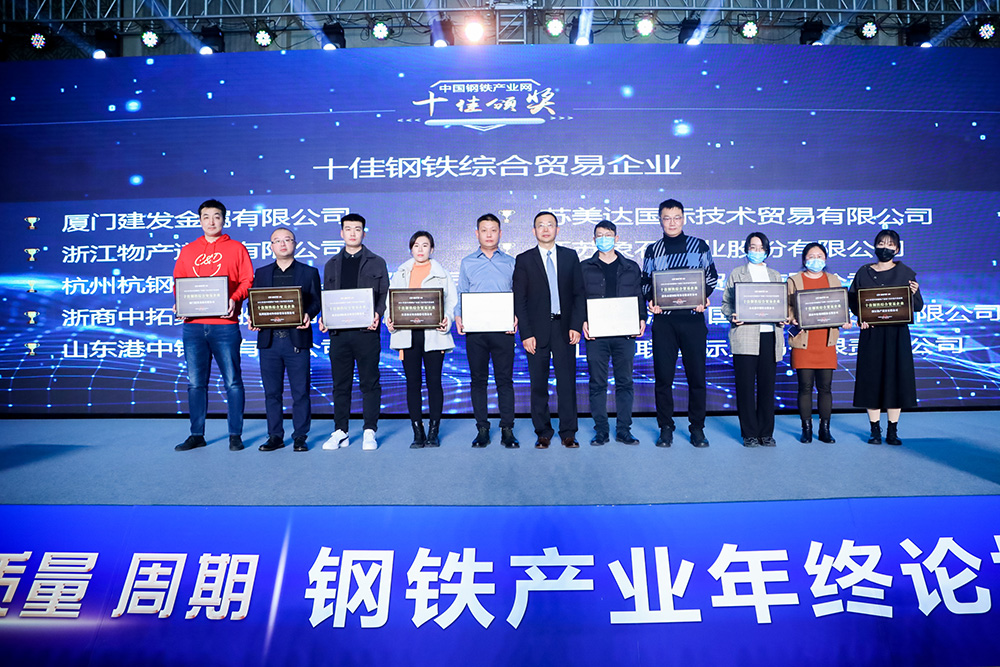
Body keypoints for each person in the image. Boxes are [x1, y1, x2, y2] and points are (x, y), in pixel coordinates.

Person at [173, 199, 254, 452]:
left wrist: (234, 298)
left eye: (216, 216)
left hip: (225, 325)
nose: (211, 221)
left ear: (224, 220)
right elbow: (179, 281)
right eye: (206, 217)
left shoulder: (237, 248)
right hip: (193, 326)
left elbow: (247, 280)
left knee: (232, 381)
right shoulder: (188, 250)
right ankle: (196, 434)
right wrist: (179, 303)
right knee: (195, 383)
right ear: (200, 221)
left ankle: (235, 435)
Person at [641, 198, 719, 448]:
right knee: (663, 378)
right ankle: (666, 427)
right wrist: (652, 301)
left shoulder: (699, 246)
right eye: (667, 218)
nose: (672, 223)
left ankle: (697, 428)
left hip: (693, 320)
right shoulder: (653, 250)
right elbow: (645, 282)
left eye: (676, 218)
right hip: (664, 322)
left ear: (683, 219)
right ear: (660, 221)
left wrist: (703, 297)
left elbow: (711, 277)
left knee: (697, 377)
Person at [512, 211, 586, 449]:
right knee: (538, 384)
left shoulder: (570, 256)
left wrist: (576, 325)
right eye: (541, 225)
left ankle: (568, 432)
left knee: (567, 383)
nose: (545, 229)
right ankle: (543, 432)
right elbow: (520, 300)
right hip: (536, 331)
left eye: (550, 225)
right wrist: (526, 334)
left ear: (557, 229)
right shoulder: (524, 259)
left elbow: (579, 294)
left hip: (564, 329)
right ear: (534, 231)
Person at [318, 213, 389, 451]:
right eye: (348, 229)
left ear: (363, 233)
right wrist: (325, 317)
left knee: (370, 383)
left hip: (366, 333)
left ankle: (370, 430)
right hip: (339, 335)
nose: (352, 233)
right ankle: (341, 431)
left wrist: (378, 313)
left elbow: (384, 294)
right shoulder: (331, 264)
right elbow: (328, 297)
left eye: (357, 229)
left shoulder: (377, 262)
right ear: (341, 233)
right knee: (340, 384)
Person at [848, 229, 923, 446]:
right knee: (871, 379)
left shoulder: (906, 272)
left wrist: (914, 293)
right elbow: (854, 301)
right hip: (871, 333)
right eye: (881, 243)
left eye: (890, 245)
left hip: (897, 334)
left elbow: (917, 306)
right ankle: (874, 430)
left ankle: (892, 430)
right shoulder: (864, 272)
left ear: (897, 249)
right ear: (875, 246)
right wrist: (861, 317)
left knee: (895, 379)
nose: (885, 248)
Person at [251, 227, 322, 452]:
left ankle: (300, 436)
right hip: (269, 342)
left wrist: (308, 314)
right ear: (271, 246)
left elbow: (316, 301)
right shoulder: (262, 273)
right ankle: (275, 436)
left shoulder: (308, 272)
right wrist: (253, 317)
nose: (283, 244)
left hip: (296, 341)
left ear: (295, 243)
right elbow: (254, 302)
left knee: (300, 392)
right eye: (277, 241)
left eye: (287, 240)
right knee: (272, 393)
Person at [386, 231, 457, 449]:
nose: (420, 249)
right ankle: (417, 432)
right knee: (413, 383)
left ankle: (434, 431)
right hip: (407, 335)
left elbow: (451, 303)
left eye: (425, 245)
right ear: (411, 249)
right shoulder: (400, 273)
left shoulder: (442, 274)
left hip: (434, 335)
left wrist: (447, 319)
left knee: (434, 382)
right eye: (416, 245)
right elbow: (391, 303)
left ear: (432, 249)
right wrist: (390, 320)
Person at [455, 213, 519, 449]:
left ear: (500, 233)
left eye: (493, 230)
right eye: (484, 230)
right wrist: (458, 316)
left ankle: (507, 429)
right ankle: (482, 429)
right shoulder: (467, 262)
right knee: (478, 381)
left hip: (503, 330)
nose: (489, 234)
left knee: (505, 381)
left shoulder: (511, 262)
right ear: (477, 234)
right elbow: (462, 292)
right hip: (476, 331)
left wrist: (517, 316)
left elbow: (519, 294)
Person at [580, 220, 647, 446]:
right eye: (600, 235)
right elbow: (577, 298)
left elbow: (639, 296)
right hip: (596, 335)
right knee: (597, 383)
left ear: (616, 238)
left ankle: (624, 430)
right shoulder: (584, 267)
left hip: (624, 334)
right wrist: (582, 321)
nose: (604, 239)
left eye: (608, 235)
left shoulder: (631, 267)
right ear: (594, 239)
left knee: (625, 382)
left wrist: (642, 318)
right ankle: (601, 431)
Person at [721, 232, 786, 448]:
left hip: (770, 335)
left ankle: (766, 433)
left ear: (767, 251)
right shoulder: (737, 273)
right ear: (746, 249)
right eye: (753, 247)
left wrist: (783, 317)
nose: (757, 251)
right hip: (745, 335)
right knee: (745, 387)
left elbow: (781, 305)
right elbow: (726, 303)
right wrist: (732, 316)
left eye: (761, 248)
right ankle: (749, 433)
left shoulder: (775, 275)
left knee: (767, 388)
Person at [786, 242, 848, 444]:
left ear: (825, 259)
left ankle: (825, 429)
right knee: (805, 387)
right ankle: (806, 429)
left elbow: (840, 305)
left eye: (819, 256)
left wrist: (844, 319)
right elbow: (786, 307)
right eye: (811, 256)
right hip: (803, 341)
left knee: (825, 388)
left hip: (826, 342)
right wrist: (792, 318)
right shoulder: (794, 280)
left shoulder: (833, 279)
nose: (815, 259)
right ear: (804, 259)